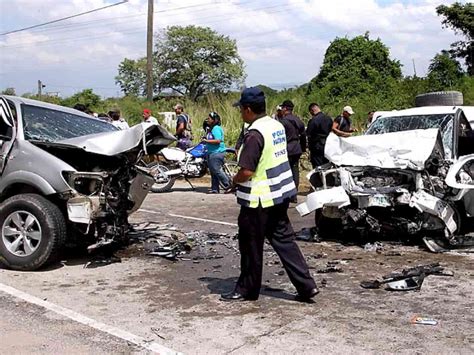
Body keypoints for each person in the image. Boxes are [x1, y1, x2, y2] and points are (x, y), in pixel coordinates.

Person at [220, 87, 318, 302]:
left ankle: (247, 289)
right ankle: (306, 286)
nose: (240, 113)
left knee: (250, 246)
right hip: (279, 196)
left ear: (247, 109)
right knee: (285, 242)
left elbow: (247, 171)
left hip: (258, 201)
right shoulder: (275, 125)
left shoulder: (255, 134)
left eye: (241, 110)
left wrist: (233, 182)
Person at [277, 100, 306, 203]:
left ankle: (287, 194)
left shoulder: (283, 121)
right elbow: (303, 135)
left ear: (285, 108)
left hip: (287, 148)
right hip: (297, 148)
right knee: (295, 171)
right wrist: (303, 148)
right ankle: (294, 194)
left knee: (286, 172)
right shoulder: (298, 120)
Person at [202, 112, 230, 193]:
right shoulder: (211, 129)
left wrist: (206, 140)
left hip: (217, 152)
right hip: (211, 152)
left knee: (217, 170)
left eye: (210, 118)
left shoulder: (216, 128)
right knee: (213, 172)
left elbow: (218, 140)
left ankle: (229, 185)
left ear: (214, 120)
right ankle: (215, 188)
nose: (208, 119)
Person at [306, 103, 333, 168]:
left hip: (317, 146)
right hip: (328, 144)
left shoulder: (313, 120)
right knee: (327, 164)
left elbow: (308, 133)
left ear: (312, 110)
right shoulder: (329, 118)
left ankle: (319, 178)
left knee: (318, 167)